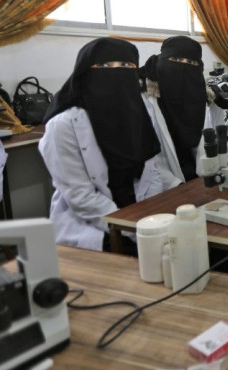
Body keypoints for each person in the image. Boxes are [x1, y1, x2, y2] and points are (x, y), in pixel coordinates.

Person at [40, 38, 162, 251]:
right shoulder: (64, 125)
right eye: (106, 66)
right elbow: (80, 197)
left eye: (127, 66)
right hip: (90, 225)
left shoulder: (138, 114)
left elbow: (152, 173)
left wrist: (150, 219)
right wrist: (130, 227)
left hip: (139, 213)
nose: (118, 73)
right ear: (86, 73)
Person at [139, 36, 206, 190]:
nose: (183, 67)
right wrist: (176, 185)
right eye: (175, 59)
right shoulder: (145, 97)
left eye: (191, 63)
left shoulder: (198, 93)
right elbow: (149, 160)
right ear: (162, 59)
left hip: (197, 178)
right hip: (163, 186)